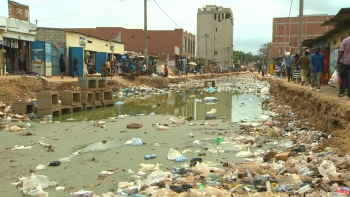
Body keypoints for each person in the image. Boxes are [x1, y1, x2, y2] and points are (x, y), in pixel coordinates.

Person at [336, 30, 350, 98]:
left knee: (342, 76)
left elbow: (341, 52)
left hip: (344, 62)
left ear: (348, 33)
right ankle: (349, 94)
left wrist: (337, 63)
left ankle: (342, 92)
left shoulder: (345, 40)